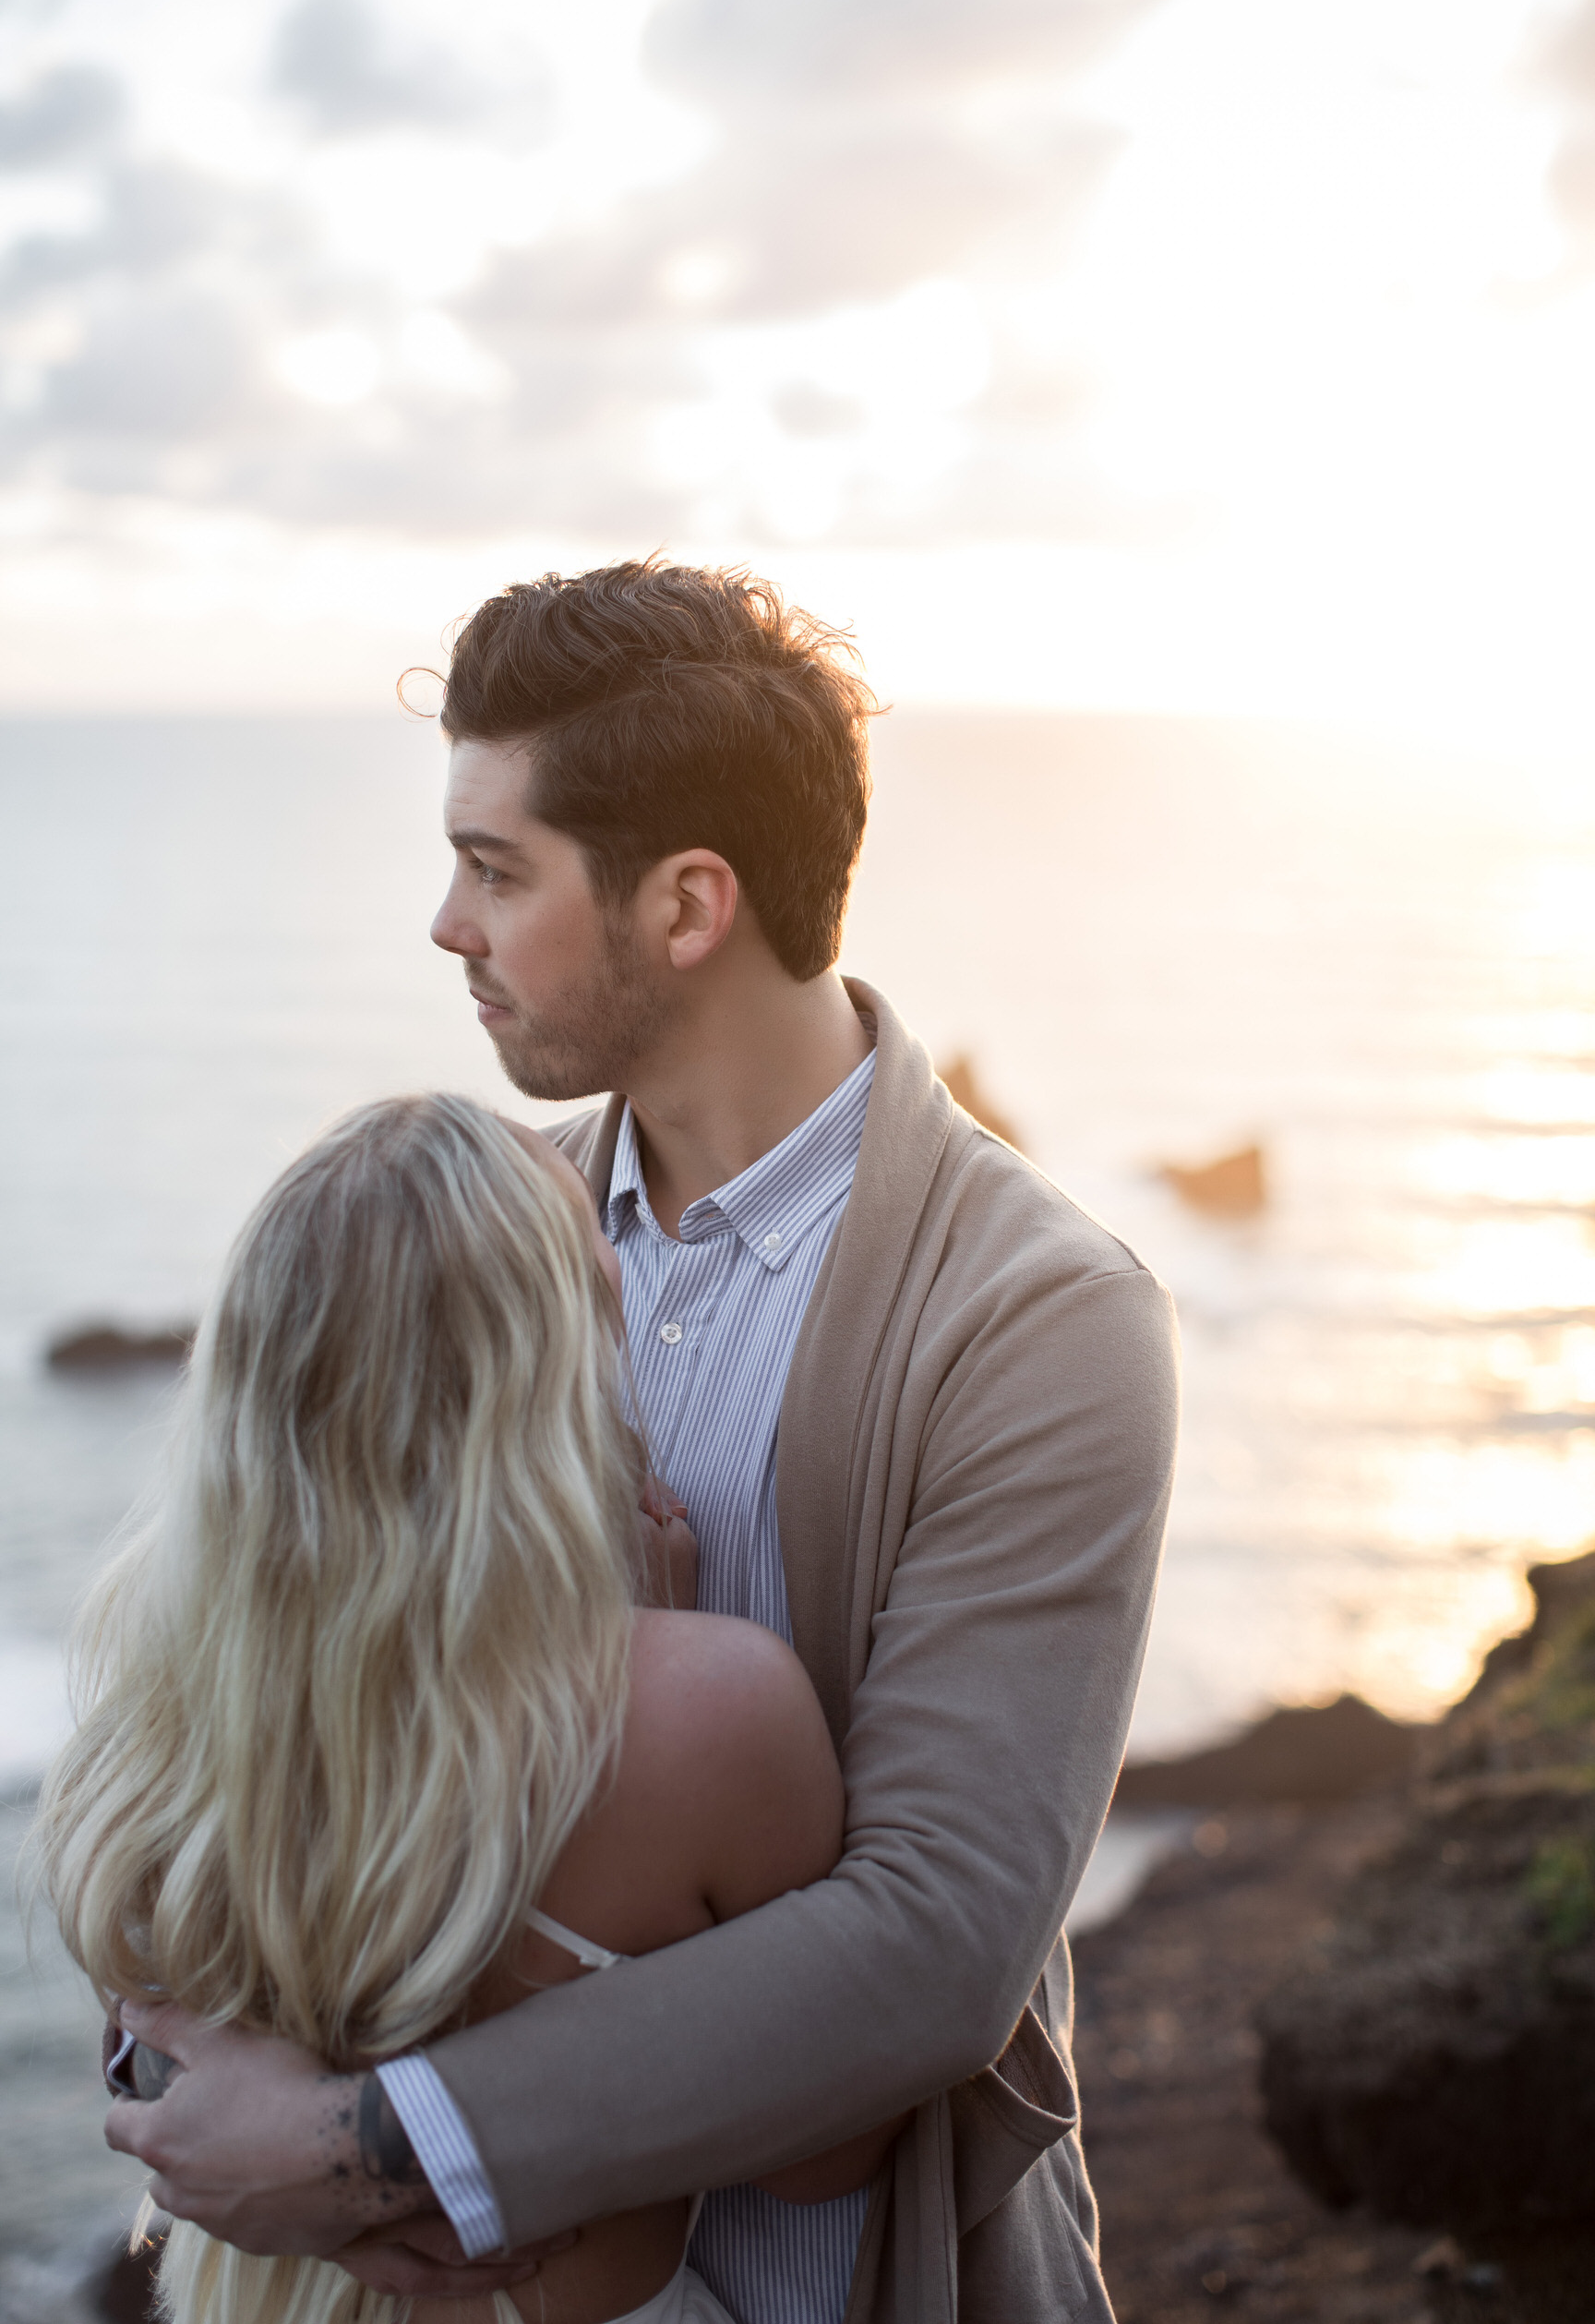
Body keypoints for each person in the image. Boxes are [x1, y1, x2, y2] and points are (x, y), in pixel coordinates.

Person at [100, 560, 1181, 2324]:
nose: (447, 924)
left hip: (845, 2268)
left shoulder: (1040, 1318)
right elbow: (269, 1675)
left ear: (688, 905)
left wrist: (371, 2140)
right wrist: (170, 2056)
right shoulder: (483, 1241)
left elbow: (936, 1946)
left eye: (495, 869)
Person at [37, 1092, 904, 2324]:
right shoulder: (716, 1708)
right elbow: (827, 2153)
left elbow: (148, 2055)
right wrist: (660, 1637)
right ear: (542, 1360)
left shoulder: (160, 1701)